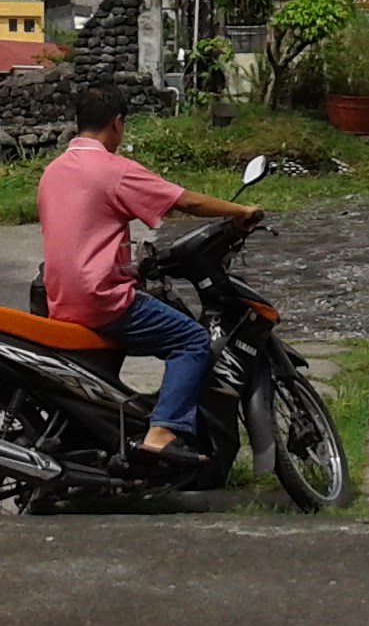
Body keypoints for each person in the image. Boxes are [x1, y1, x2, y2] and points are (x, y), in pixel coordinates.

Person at [37, 83, 261, 460]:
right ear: (118, 123)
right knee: (191, 340)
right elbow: (183, 201)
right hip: (102, 300)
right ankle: (162, 431)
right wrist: (239, 211)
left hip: (60, 299)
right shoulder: (113, 170)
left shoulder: (52, 172)